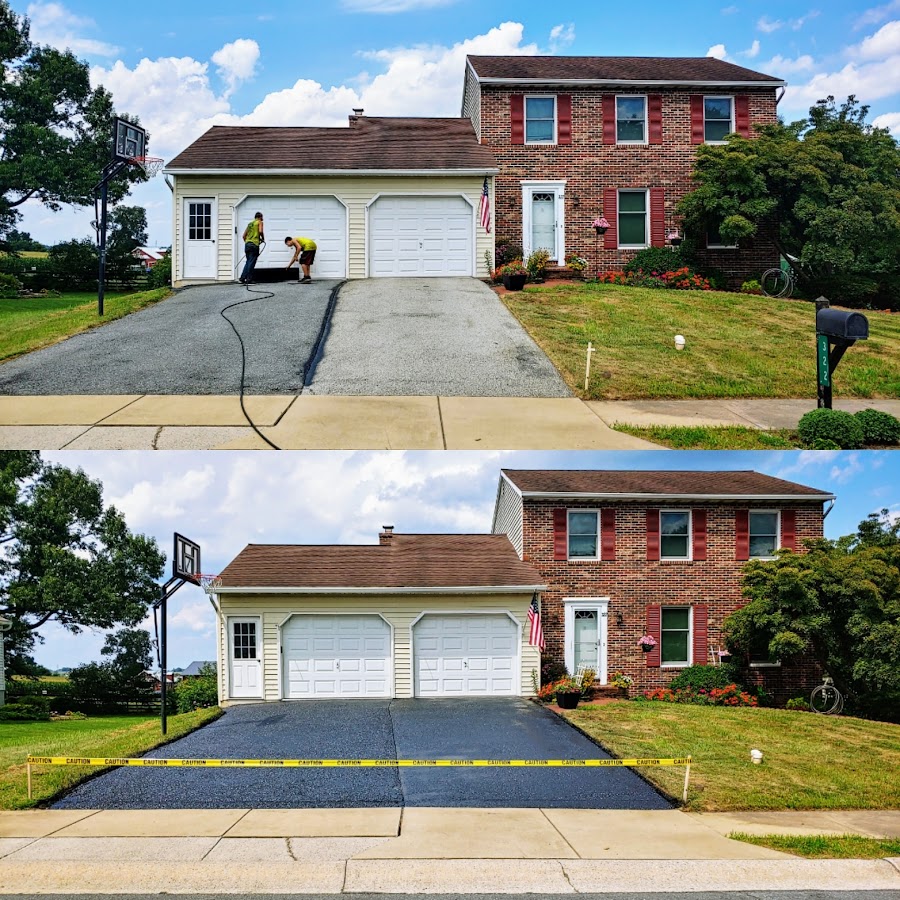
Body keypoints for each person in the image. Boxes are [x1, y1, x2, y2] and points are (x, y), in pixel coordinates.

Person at [239, 212, 264, 284]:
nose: (263, 219)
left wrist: (247, 242)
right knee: (251, 262)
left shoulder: (250, 224)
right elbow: (260, 231)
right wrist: (262, 238)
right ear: (260, 217)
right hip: (254, 245)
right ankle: (249, 279)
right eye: (262, 217)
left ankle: (243, 278)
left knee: (248, 261)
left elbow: (244, 236)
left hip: (247, 244)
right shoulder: (259, 222)